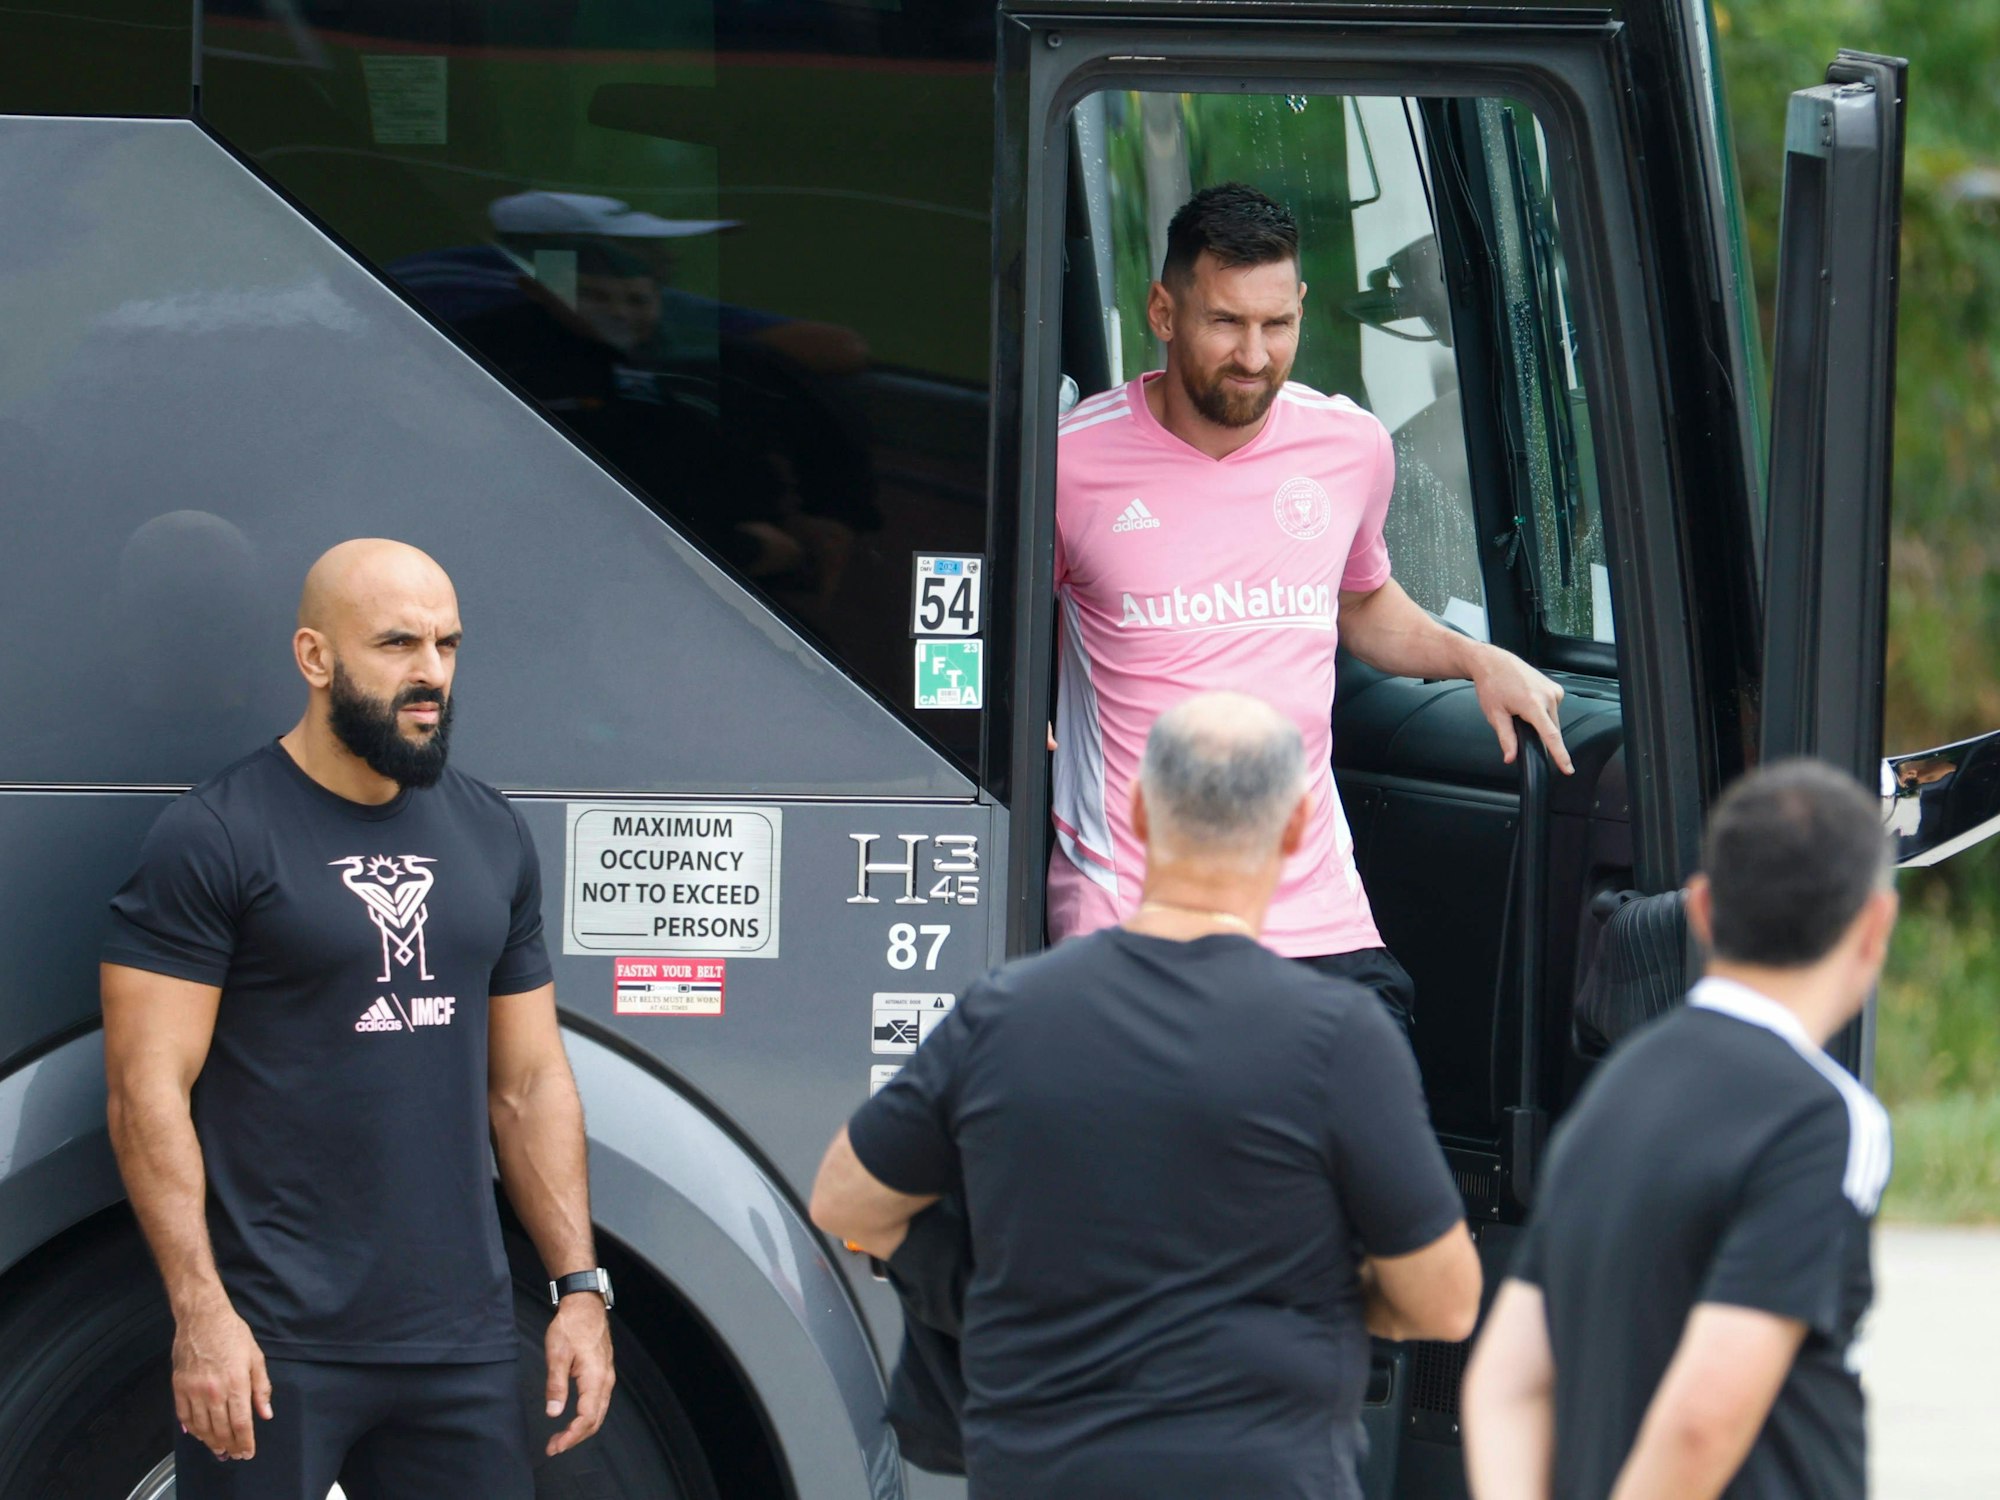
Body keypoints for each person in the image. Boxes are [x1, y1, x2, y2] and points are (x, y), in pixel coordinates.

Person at [811, 691, 1482, 1500]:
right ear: (1299, 829)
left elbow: (847, 1201)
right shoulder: (1340, 1038)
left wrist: (983, 1283)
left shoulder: (1005, 1014)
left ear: (1135, 808)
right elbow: (1444, 1301)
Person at [101, 539, 615, 1498]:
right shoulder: (213, 838)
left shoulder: (491, 832)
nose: (431, 674)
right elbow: (144, 1093)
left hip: (462, 1343)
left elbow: (529, 1084)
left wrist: (580, 1290)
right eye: (397, 645)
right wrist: (201, 1312)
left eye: (447, 645)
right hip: (272, 1347)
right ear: (315, 658)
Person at [1050, 182, 1573, 1031]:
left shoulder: (1346, 446)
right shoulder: (1070, 466)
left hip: (1317, 914)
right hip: (1135, 915)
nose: (1254, 355)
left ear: (1298, 308)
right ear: (1163, 310)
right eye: (1225, 322)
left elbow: (1361, 605)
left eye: (1276, 325)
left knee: (1370, 1135)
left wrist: (1477, 658)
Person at [1462, 759, 1896, 1500]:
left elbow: (1504, 1380)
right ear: (1875, 925)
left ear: (1698, 910)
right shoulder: (1823, 1118)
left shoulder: (1614, 1093)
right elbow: (1705, 1417)